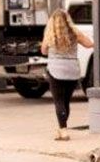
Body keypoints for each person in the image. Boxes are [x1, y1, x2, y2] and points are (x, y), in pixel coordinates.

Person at [40, 7, 94, 141]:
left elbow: (43, 51)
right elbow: (89, 44)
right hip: (72, 71)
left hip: (56, 71)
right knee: (66, 101)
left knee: (59, 101)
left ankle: (63, 131)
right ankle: (61, 129)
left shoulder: (50, 35)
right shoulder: (75, 33)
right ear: (68, 20)